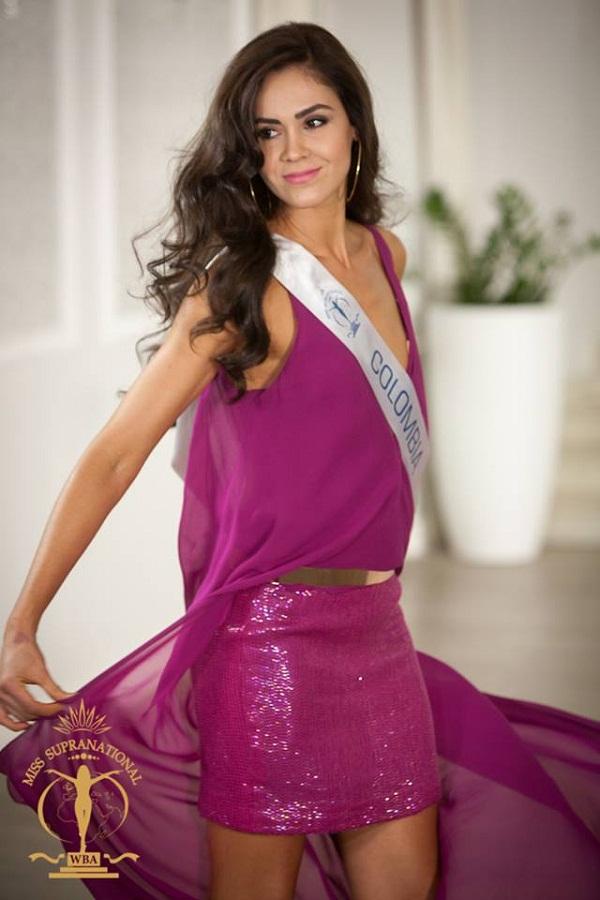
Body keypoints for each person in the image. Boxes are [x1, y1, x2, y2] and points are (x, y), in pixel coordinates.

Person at [0, 21, 599, 900]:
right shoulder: (241, 285)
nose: (292, 151)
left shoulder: (385, 254)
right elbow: (115, 454)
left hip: (379, 634)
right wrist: (22, 623)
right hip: (267, 651)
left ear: (354, 124)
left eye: (313, 121)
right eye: (267, 132)